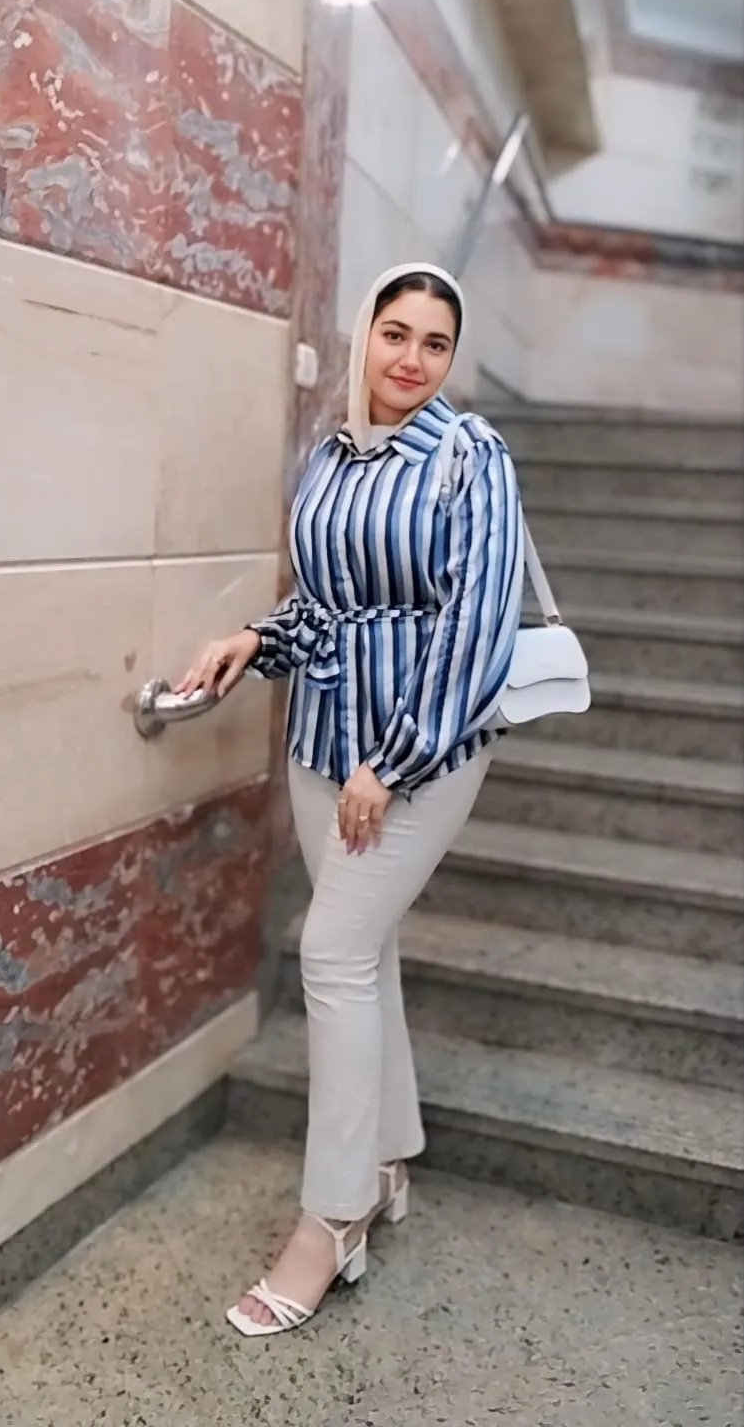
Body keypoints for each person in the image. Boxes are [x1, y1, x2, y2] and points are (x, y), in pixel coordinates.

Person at [177, 262, 525, 1337]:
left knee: (329, 954)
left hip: (416, 756)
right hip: (321, 741)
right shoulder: (330, 457)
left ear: (450, 358)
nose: (412, 358)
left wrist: (396, 760)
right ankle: (384, 1160)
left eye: (434, 342)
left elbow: (478, 627)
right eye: (395, 333)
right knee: (364, 954)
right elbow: (325, 607)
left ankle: (329, 1221)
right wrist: (254, 637)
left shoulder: (470, 457)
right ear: (364, 337)